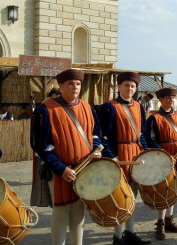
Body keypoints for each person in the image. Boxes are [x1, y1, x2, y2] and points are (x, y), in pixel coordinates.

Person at [31, 69, 112, 245]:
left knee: (78, 211)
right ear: (60, 86)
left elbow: (95, 134)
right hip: (60, 170)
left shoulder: (88, 107)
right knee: (61, 211)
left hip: (84, 168)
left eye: (77, 83)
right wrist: (61, 169)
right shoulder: (44, 110)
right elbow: (41, 145)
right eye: (70, 83)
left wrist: (96, 150)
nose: (75, 87)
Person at [99, 72, 150, 245]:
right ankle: (118, 236)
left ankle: (130, 233)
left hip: (135, 155)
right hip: (119, 157)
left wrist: (147, 152)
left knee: (133, 197)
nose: (130, 89)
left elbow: (141, 133)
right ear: (119, 87)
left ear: (136, 89)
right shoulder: (109, 107)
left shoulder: (139, 107)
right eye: (126, 85)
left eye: (133, 86)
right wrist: (110, 156)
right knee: (120, 198)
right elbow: (101, 136)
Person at [145, 87, 177, 241]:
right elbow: (150, 140)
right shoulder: (154, 118)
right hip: (163, 158)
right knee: (163, 190)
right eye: (168, 98)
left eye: (173, 98)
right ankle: (160, 223)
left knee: (174, 188)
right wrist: (163, 154)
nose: (171, 100)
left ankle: (170, 220)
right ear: (161, 100)